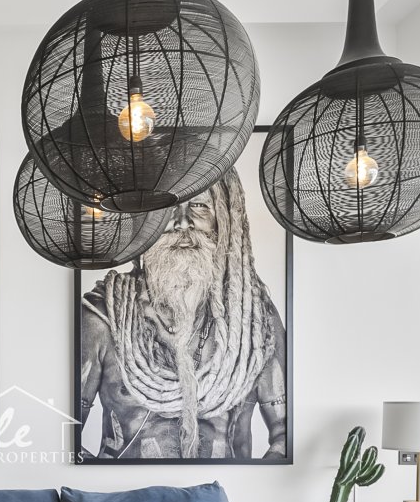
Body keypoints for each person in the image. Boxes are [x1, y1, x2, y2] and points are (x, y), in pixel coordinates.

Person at [78, 170, 288, 460]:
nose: (182, 222)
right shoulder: (104, 315)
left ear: (223, 219)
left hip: (228, 486)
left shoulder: (255, 320)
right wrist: (102, 484)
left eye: (199, 206)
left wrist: (255, 482)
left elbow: (286, 434)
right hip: (126, 489)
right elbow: (62, 433)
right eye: (166, 208)